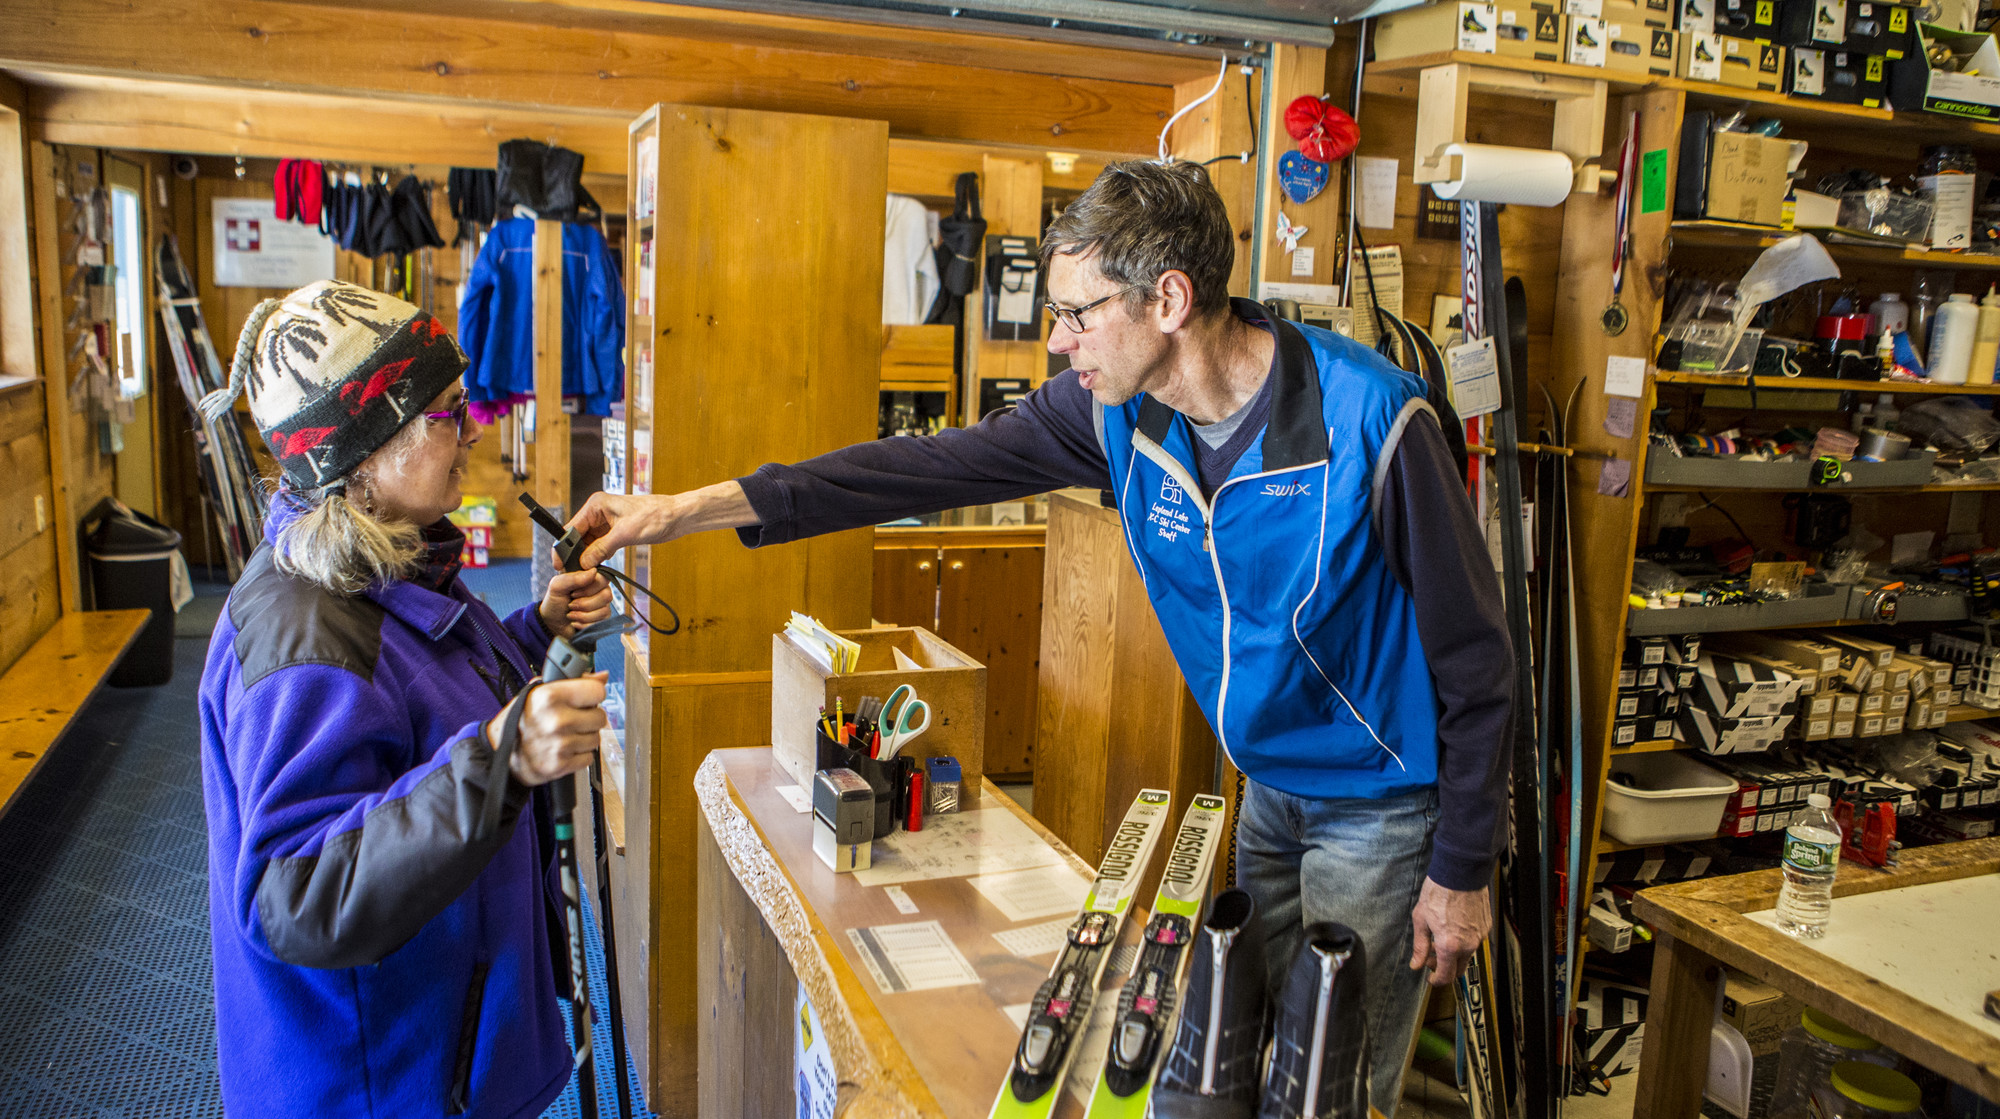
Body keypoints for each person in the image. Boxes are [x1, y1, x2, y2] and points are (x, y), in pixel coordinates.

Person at [568, 161, 1512, 1112]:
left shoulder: (1373, 418)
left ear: (1170, 298)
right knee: (1237, 1058)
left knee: (1332, 1088)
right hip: (1266, 790)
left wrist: (1462, 866)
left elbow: (1478, 660)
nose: (1058, 342)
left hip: (1385, 808)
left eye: (1077, 313)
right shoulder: (1121, 414)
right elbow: (921, 468)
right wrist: (684, 510)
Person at [196, 280, 614, 1118]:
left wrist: (533, 634)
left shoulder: (380, 562)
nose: (472, 432)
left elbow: (420, 700)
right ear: (365, 450)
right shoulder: (306, 641)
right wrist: (502, 761)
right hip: (380, 1084)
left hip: (432, 1052)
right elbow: (301, 891)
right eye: (448, 412)